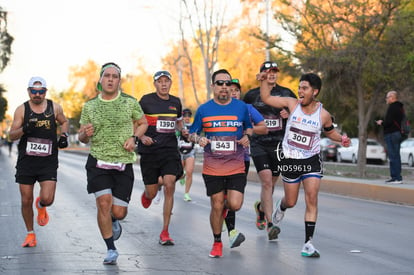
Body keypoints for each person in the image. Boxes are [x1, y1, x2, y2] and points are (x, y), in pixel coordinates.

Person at [258, 72, 350, 257]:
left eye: (304, 88)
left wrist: (342, 139)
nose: (300, 91)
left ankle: (308, 243)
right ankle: (282, 207)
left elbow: (330, 132)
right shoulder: (292, 104)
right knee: (291, 201)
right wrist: (264, 82)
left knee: (311, 198)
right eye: (299, 87)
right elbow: (266, 97)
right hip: (291, 160)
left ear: (314, 92)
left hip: (311, 161)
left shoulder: (323, 115)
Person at [78, 62, 148, 265]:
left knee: (119, 211)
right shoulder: (90, 105)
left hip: (122, 164)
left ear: (119, 81)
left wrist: (134, 138)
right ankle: (110, 249)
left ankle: (115, 220)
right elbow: (83, 137)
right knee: (103, 202)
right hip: (98, 163)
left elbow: (143, 122)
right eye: (106, 75)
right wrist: (84, 134)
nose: (110, 79)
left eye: (114, 76)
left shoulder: (130, 102)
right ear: (100, 80)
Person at [188, 69, 253, 258]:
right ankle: (217, 242)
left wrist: (247, 136)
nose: (224, 87)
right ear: (213, 86)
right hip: (213, 166)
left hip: (236, 165)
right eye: (220, 83)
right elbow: (192, 133)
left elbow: (249, 128)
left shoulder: (241, 107)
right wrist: (197, 139)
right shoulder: (203, 109)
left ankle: (224, 207)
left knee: (235, 204)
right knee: (217, 205)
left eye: (227, 83)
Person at [8, 76, 69, 248]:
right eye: (34, 91)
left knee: (48, 198)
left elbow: (64, 121)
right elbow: (11, 135)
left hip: (47, 161)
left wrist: (64, 135)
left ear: (45, 92)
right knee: (26, 199)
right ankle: (30, 234)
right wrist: (24, 128)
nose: (37, 94)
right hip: (27, 161)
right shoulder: (22, 110)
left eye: (40, 91)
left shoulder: (54, 107)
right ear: (28, 91)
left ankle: (41, 205)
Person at [243, 61, 297, 240]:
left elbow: (299, 116)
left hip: (279, 144)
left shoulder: (286, 94)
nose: (272, 74)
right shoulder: (251, 95)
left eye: (274, 71)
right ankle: (270, 224)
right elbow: (242, 115)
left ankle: (260, 209)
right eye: (267, 71)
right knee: (266, 182)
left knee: (272, 184)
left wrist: (289, 115)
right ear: (261, 75)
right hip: (259, 143)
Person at [137, 70, 184, 246]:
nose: (164, 84)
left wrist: (184, 129)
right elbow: (135, 121)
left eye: (166, 81)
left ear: (170, 83)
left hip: (169, 150)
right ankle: (149, 194)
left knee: (170, 184)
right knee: (152, 191)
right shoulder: (145, 101)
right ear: (155, 84)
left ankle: (165, 231)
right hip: (149, 151)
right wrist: (141, 137)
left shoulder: (175, 102)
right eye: (160, 81)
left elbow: (178, 122)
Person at [222, 78, 268, 248]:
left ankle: (223, 214)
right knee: (225, 194)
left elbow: (263, 127)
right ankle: (232, 233)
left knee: (235, 198)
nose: (233, 92)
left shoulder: (248, 109)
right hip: (222, 158)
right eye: (230, 89)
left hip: (242, 159)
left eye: (236, 90)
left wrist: (247, 131)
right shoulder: (219, 109)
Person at [375, 91, 404, 184]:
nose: (386, 99)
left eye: (387, 97)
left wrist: (381, 123)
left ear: (392, 97)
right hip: (397, 133)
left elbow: (389, 122)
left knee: (392, 156)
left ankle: (395, 177)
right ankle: (398, 177)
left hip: (391, 134)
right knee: (396, 156)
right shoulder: (400, 107)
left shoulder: (392, 107)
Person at [178, 108, 196, 202]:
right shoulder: (179, 126)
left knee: (189, 172)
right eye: (185, 116)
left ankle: (187, 194)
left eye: (189, 116)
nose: (187, 118)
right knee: (180, 173)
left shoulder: (193, 127)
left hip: (190, 152)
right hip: (179, 152)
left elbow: (196, 137)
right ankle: (182, 175)